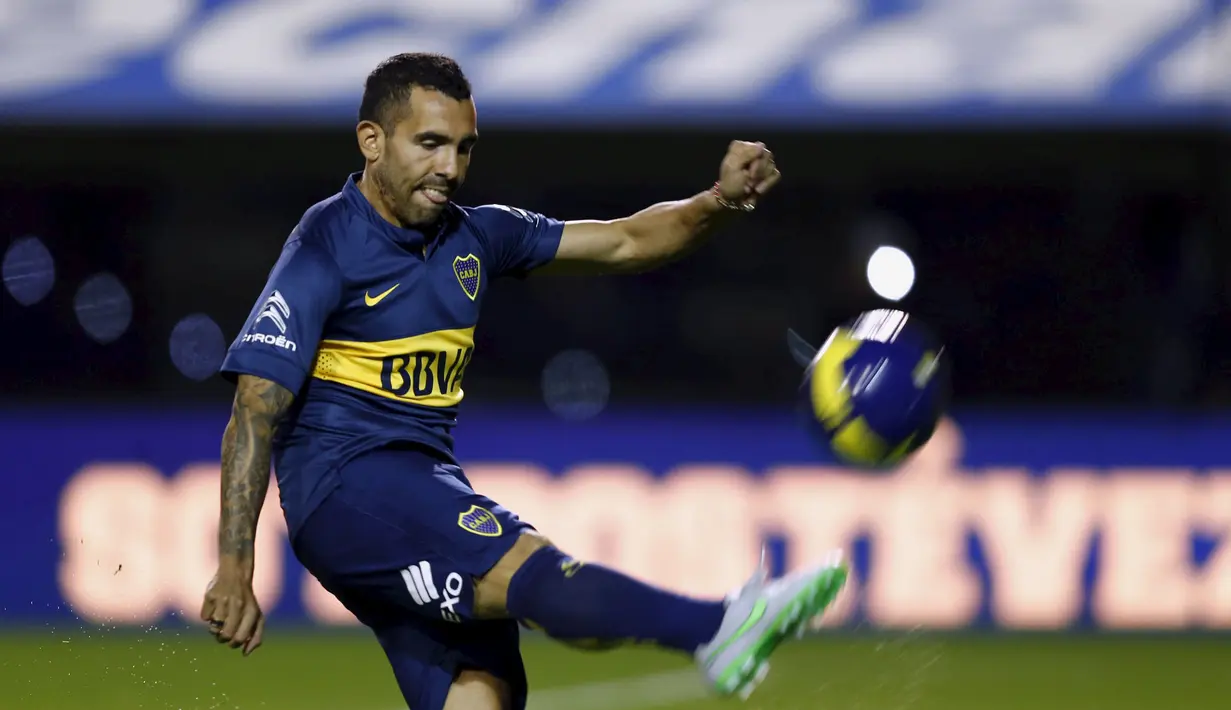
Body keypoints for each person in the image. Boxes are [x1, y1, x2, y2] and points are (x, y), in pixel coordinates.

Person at [200, 52, 848, 710]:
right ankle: (718, 629)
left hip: (418, 486)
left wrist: (719, 201)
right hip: (350, 489)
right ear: (372, 141)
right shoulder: (325, 245)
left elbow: (624, 241)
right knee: (527, 568)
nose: (449, 168)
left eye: (462, 148)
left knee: (485, 690)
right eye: (429, 144)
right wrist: (236, 565)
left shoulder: (479, 236)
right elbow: (255, 407)